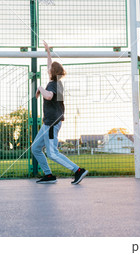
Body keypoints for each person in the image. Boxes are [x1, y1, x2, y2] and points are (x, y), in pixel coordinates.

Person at [31, 41, 88, 184]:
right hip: (47, 124)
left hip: (51, 124)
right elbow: (50, 65)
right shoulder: (56, 82)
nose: (47, 70)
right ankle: (49, 175)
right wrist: (48, 52)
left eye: (49, 69)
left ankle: (78, 170)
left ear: (52, 72)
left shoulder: (54, 84)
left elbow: (48, 96)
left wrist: (39, 87)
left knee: (52, 153)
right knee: (36, 148)